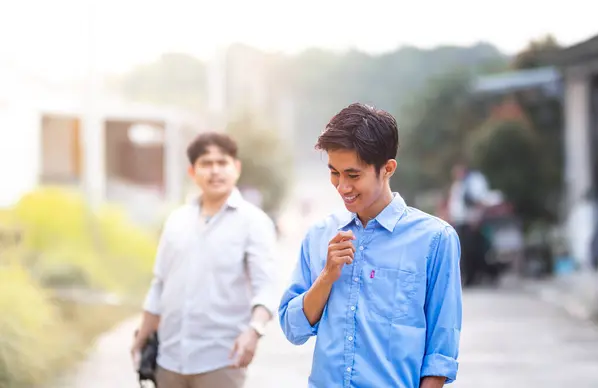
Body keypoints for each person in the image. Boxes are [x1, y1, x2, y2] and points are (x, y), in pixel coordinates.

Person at [278, 103, 462, 388]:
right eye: (334, 173)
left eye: (353, 175)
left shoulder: (435, 239)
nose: (342, 187)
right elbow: (293, 329)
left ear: (387, 169)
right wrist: (327, 277)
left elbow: (441, 349)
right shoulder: (320, 234)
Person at [131, 132, 278, 388]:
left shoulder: (253, 223)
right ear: (192, 172)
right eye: (206, 164)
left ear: (236, 168)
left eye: (222, 163)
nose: (215, 171)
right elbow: (160, 285)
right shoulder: (177, 221)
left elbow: (265, 286)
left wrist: (254, 331)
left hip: (221, 361)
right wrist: (142, 336)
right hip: (170, 359)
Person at [447, 161, 490, 286]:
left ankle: (473, 277)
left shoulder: (474, 181)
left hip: (471, 221)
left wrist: (477, 218)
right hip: (459, 221)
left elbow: (480, 201)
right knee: (463, 252)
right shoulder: (458, 185)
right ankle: (467, 277)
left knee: (472, 252)